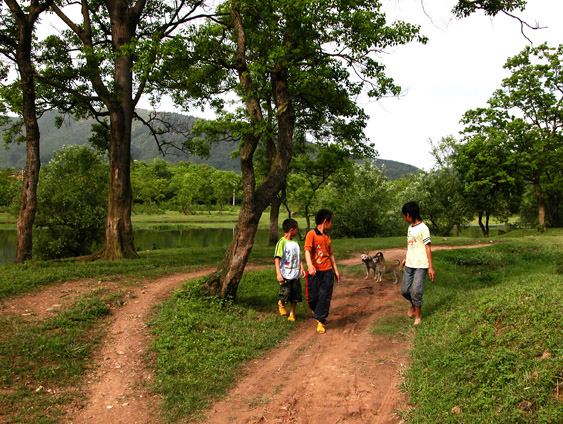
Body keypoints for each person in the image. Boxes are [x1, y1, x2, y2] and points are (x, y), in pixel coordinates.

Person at [304, 209, 340, 334]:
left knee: (324, 296)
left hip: (327, 272)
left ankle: (320, 321)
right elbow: (307, 250)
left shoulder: (327, 237)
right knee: (312, 297)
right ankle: (317, 311)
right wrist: (309, 265)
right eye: (331, 222)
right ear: (326, 221)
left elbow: (330, 255)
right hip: (314, 272)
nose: (332, 224)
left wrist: (335, 270)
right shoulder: (311, 234)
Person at [400, 201, 435, 325]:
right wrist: (405, 258)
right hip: (410, 264)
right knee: (404, 291)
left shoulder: (423, 228)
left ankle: (418, 317)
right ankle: (414, 305)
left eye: (404, 215)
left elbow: (428, 248)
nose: (404, 218)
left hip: (421, 265)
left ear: (409, 215)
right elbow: (410, 245)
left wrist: (431, 267)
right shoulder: (410, 228)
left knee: (416, 291)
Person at [274, 218, 305, 322]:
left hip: (295, 275)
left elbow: (299, 256)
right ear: (292, 230)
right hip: (285, 274)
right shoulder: (281, 242)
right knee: (285, 293)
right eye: (297, 229)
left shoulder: (295, 243)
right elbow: (277, 258)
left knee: (295, 295)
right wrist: (278, 273)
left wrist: (302, 268)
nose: (297, 231)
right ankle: (281, 303)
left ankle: (292, 313)